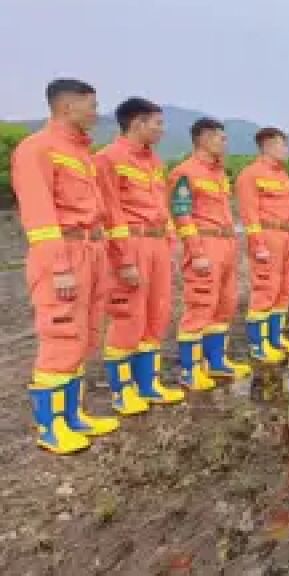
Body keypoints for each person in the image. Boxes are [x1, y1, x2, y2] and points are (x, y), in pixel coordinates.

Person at [12, 78, 120, 453]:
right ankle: (51, 429)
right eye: (91, 105)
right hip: (62, 253)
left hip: (91, 251)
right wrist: (58, 267)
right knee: (60, 337)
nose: (96, 112)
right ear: (66, 107)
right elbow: (39, 214)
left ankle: (73, 415)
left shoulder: (81, 153)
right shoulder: (37, 149)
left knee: (85, 336)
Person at [94, 97, 185, 416]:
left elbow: (163, 207)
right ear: (137, 123)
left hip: (158, 245)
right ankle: (123, 392)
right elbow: (110, 213)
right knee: (128, 317)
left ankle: (149, 383)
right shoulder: (108, 159)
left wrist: (170, 244)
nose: (162, 130)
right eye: (157, 123)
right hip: (130, 244)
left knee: (156, 315)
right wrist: (124, 261)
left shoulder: (155, 163)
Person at [170, 117, 253, 389]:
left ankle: (215, 362)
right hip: (205, 245)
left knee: (225, 304)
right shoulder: (185, 172)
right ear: (204, 139)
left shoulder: (218, 173)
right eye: (221, 137)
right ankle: (190, 371)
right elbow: (182, 215)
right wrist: (196, 252)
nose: (225, 142)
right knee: (200, 306)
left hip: (226, 244)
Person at [236, 128, 289, 361]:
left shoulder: (283, 176)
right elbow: (249, 213)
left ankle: (276, 338)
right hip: (269, 236)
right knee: (266, 290)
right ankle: (259, 345)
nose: (286, 150)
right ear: (267, 145)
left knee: (285, 290)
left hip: (288, 236)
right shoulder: (250, 174)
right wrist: (258, 244)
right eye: (282, 145)